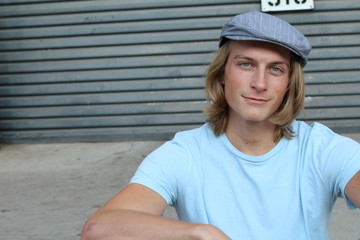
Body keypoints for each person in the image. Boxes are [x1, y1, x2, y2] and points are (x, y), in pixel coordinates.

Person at [81, 11, 360, 240]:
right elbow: (99, 228)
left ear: (289, 84)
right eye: (246, 64)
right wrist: (200, 233)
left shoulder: (321, 149)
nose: (260, 84)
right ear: (222, 72)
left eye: (276, 69)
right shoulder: (184, 153)